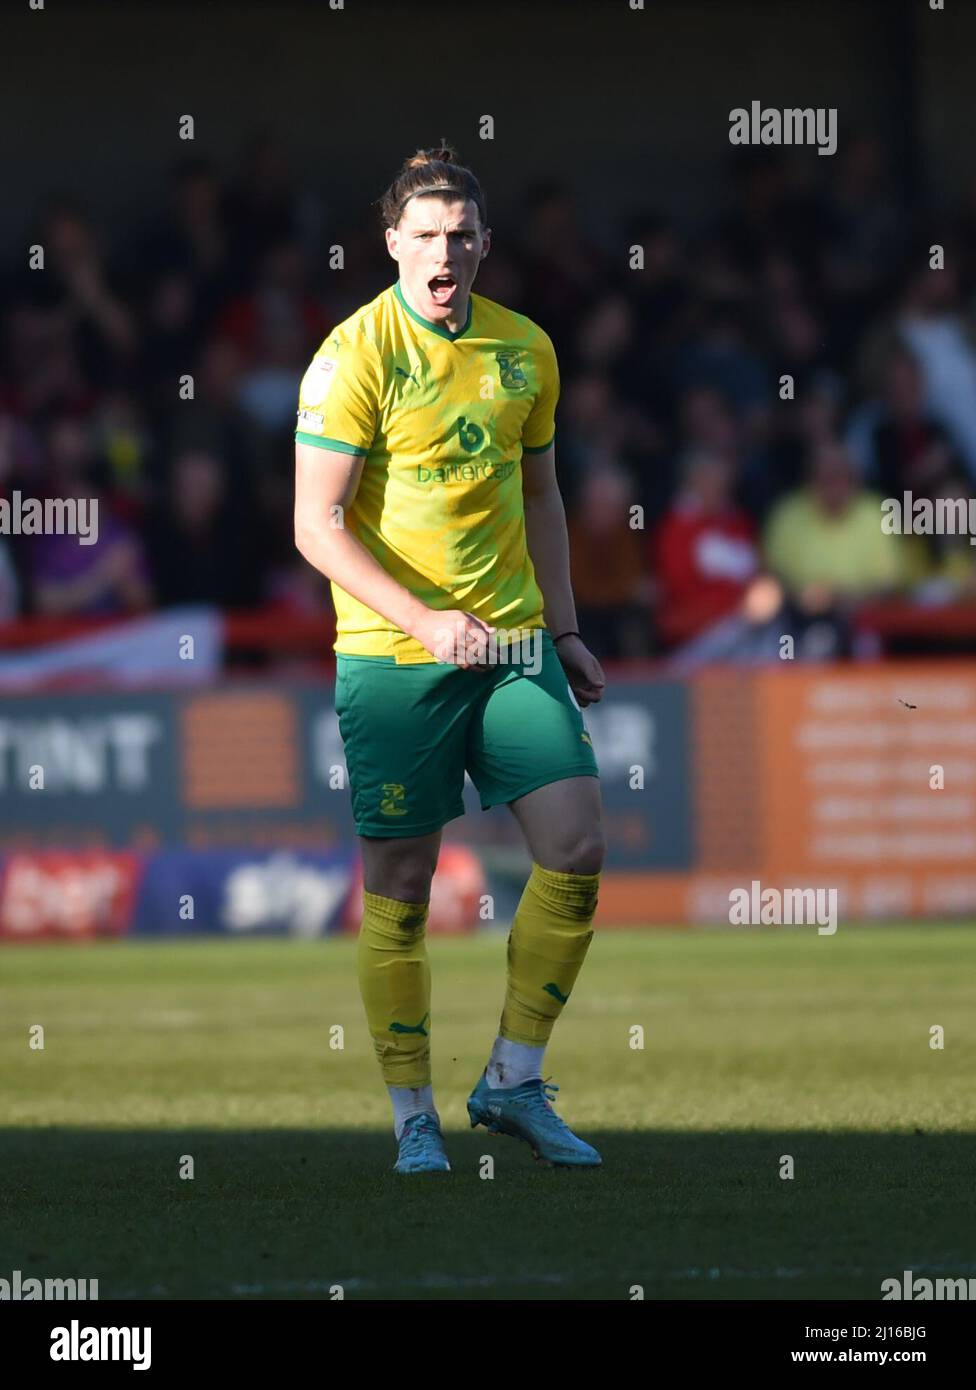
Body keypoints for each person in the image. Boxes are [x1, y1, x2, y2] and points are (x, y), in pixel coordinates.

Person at [294, 144, 605, 1174]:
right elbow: (316, 526)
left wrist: (562, 628)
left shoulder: (526, 349)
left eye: (461, 234)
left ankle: (513, 1079)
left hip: (515, 643)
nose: (444, 251)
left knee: (574, 844)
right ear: (391, 244)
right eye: (424, 234)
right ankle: (411, 1112)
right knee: (401, 879)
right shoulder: (353, 357)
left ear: (484, 245)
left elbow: (544, 497)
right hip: (395, 654)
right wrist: (424, 621)